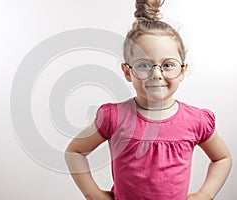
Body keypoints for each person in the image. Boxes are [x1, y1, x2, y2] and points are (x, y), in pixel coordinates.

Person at [65, 0, 232, 199]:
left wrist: (205, 194)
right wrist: (93, 194)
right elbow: (74, 152)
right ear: (128, 72)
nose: (156, 74)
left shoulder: (196, 120)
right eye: (144, 65)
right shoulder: (114, 117)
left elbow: (222, 158)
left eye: (168, 65)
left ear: (182, 71)